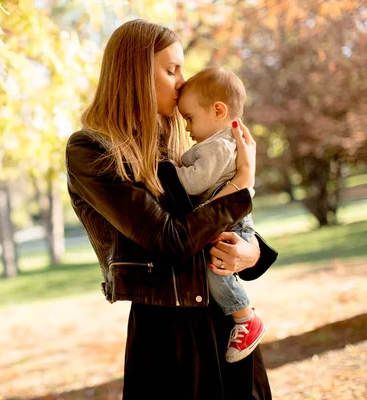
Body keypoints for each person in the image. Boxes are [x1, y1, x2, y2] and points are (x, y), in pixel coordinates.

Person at [65, 19, 278, 399]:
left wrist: (252, 252)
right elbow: (172, 240)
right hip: (167, 338)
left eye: (181, 68)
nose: (182, 81)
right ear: (134, 76)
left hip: (228, 326)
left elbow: (216, 223)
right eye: (170, 70)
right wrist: (242, 184)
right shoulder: (93, 151)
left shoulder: (183, 144)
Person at [174, 67, 265, 363]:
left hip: (231, 220)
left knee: (216, 268)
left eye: (189, 118)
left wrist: (167, 171)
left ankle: (245, 317)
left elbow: (195, 182)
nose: (187, 129)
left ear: (218, 110)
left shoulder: (218, 145)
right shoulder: (223, 142)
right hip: (232, 215)